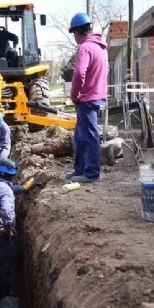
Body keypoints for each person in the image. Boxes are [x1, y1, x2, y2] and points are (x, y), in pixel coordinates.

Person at [0, 158, 34, 301]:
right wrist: (10, 227)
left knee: (1, 263)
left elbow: (7, 189)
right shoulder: (6, 191)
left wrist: (22, 188)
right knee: (5, 265)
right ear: (10, 175)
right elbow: (6, 210)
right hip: (1, 235)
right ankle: (4, 297)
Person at [66, 12, 108, 183]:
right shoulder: (101, 48)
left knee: (89, 135)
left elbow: (79, 73)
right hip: (97, 96)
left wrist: (74, 94)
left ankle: (91, 173)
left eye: (73, 33)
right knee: (80, 135)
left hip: (87, 98)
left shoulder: (85, 47)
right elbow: (106, 72)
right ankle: (80, 170)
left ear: (77, 31)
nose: (74, 37)